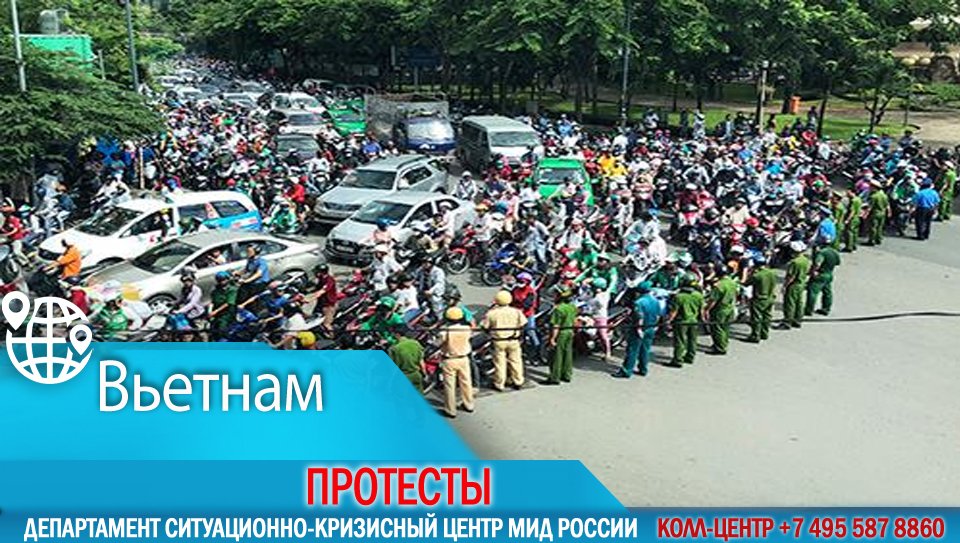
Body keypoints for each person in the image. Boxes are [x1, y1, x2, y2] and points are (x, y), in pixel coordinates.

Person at [480, 290, 527, 391]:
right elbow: (523, 324)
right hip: (514, 340)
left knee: (500, 363)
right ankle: (518, 381)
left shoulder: (492, 313)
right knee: (516, 361)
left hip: (499, 341)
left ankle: (499, 383)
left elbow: (484, 326)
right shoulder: (516, 311)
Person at [614, 283, 661, 378]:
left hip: (639, 328)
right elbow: (658, 315)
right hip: (651, 327)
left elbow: (639, 317)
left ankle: (627, 371)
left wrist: (639, 329)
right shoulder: (655, 300)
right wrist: (656, 326)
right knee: (645, 349)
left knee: (632, 350)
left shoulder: (639, 302)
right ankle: (643, 369)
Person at [438, 307, 474, 418]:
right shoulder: (466, 329)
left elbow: (438, 343)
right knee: (466, 382)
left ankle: (451, 410)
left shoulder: (445, 331)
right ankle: (469, 405)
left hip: (449, 360)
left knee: (449, 385)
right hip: (464, 358)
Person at [667, 276, 703, 367]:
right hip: (694, 320)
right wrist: (703, 319)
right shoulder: (698, 295)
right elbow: (701, 310)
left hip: (681, 322)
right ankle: (690, 357)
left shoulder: (679, 296)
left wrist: (668, 321)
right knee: (692, 339)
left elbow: (674, 312)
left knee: (680, 341)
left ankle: (678, 360)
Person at [544, 289, 577, 385]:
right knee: (568, 354)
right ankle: (566, 375)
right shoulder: (572, 307)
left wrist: (552, 338)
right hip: (570, 331)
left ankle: (555, 377)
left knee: (557, 356)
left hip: (561, 333)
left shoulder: (559, 309)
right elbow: (574, 321)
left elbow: (556, 325)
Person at [704, 265, 738, 355]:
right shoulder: (732, 282)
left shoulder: (719, 286)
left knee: (717, 328)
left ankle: (720, 348)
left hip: (719, 310)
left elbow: (713, 301)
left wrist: (706, 310)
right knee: (725, 328)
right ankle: (723, 343)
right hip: (729, 308)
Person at [745, 255, 777, 343]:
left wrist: (750, 272)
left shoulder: (757, 275)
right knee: (767, 316)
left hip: (759, 299)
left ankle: (755, 336)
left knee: (756, 318)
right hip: (770, 297)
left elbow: (746, 283)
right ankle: (764, 333)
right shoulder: (772, 273)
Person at [780, 241, 811, 329]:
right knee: (799, 302)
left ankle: (787, 322)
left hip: (793, 285)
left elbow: (791, 277)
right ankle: (797, 320)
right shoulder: (805, 260)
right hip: (801, 283)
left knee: (790, 304)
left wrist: (785, 286)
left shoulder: (794, 262)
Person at [805, 244, 841, 316]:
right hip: (829, 274)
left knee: (812, 292)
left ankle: (809, 310)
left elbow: (817, 264)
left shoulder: (822, 253)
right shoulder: (834, 252)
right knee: (827, 292)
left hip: (820, 275)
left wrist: (813, 271)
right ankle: (826, 308)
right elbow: (838, 263)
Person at [388, 325, 425, 392]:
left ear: (397, 334)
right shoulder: (415, 343)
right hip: (416, 375)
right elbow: (421, 362)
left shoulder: (394, 348)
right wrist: (424, 373)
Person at [208, 271, 238, 340]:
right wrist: (210, 311)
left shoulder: (232, 290)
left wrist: (215, 312)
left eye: (223, 279)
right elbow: (212, 301)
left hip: (227, 313)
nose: (222, 281)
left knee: (222, 328)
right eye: (219, 280)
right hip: (216, 313)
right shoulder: (216, 290)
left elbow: (228, 303)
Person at [309, 264, 338, 334]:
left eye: (317, 272)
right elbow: (316, 288)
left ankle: (332, 336)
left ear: (322, 272)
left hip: (328, 305)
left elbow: (321, 291)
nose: (315, 273)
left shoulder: (329, 280)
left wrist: (309, 299)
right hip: (321, 303)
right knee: (312, 318)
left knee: (326, 324)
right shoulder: (321, 279)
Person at [866, 180, 890, 246]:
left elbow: (870, 207)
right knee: (880, 227)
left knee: (873, 227)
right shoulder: (884, 195)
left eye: (871, 187)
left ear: (874, 187)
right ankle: (878, 239)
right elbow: (887, 205)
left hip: (875, 213)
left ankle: (872, 240)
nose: (870, 188)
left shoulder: (874, 196)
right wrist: (889, 212)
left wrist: (865, 214)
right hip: (882, 213)